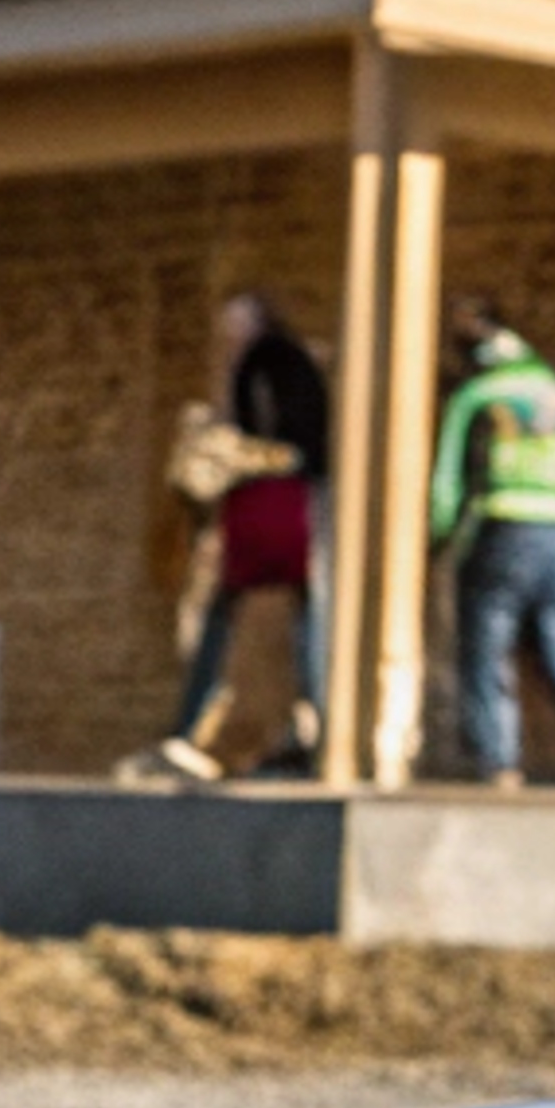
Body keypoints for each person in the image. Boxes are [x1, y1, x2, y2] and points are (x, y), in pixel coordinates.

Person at [430, 303, 555, 791]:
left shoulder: (476, 395)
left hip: (505, 527)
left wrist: (437, 539)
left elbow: (447, 482)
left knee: (486, 646)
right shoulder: (553, 387)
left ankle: (499, 764)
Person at [152, 290, 325, 783]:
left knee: (226, 621)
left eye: (237, 322)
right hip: (284, 512)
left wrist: (222, 451)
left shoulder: (261, 361)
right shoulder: (283, 363)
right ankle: (304, 731)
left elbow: (272, 443)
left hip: (269, 514)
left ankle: (190, 730)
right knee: (294, 624)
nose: (229, 334)